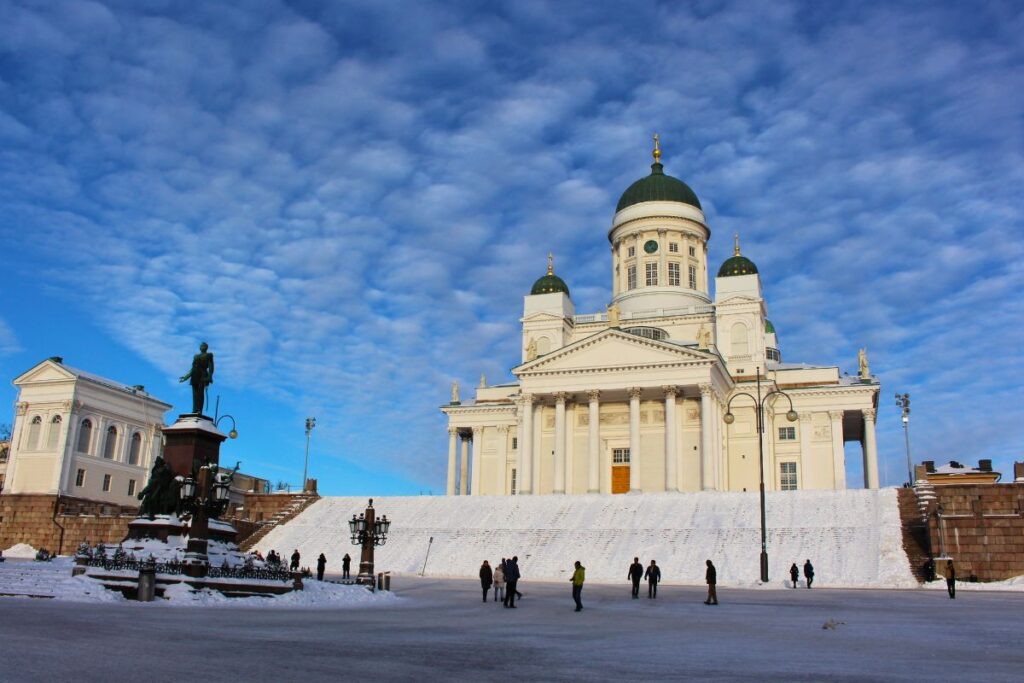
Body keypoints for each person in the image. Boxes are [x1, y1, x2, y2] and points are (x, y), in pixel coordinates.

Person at [179, 341, 215, 415]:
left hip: (202, 375)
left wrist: (209, 377)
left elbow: (211, 367)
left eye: (203, 346)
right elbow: (192, 368)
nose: (202, 347)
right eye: (201, 346)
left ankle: (199, 410)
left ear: (206, 348)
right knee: (195, 394)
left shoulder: (209, 355)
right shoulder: (196, 356)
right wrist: (185, 377)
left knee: (200, 394)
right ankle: (194, 409)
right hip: (195, 375)